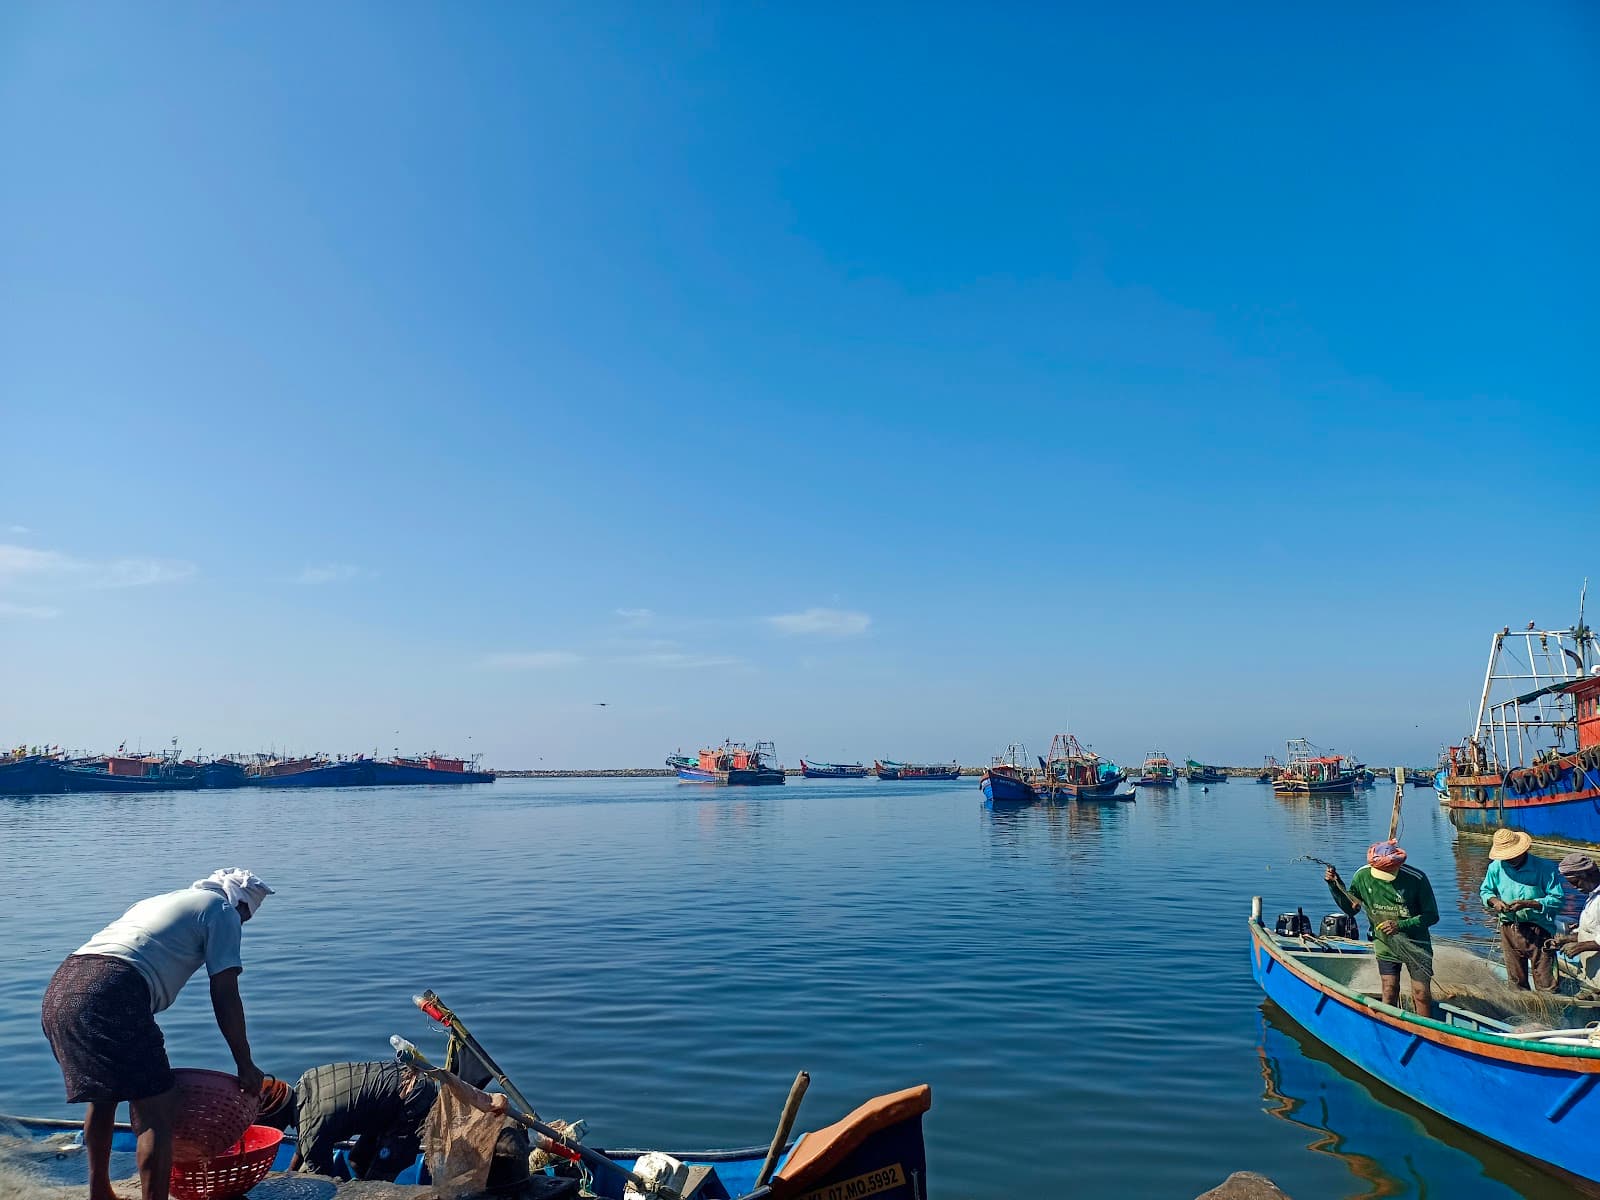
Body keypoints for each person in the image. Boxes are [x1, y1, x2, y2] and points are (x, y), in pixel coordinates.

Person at [40, 869, 273, 1200]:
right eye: (245, 915)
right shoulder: (221, 910)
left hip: (62, 987)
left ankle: (100, 1192)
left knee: (104, 1097)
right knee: (158, 1107)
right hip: (113, 990)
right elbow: (224, 991)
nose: (243, 923)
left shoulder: (162, 901)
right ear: (238, 902)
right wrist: (245, 1063)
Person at [1325, 841, 1439, 1015]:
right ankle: (1390, 1028)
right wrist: (1334, 886)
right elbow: (1351, 909)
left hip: (1417, 944)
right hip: (1385, 944)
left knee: (1421, 994)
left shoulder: (1417, 879)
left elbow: (1432, 916)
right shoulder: (1362, 876)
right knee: (1389, 990)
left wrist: (1401, 925)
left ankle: (1427, 1032)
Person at [1478, 827, 1564, 991]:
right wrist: (1494, 901)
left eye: (1512, 855)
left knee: (1547, 982)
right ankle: (1524, 1010)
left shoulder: (1544, 868)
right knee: (1516, 981)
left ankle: (1550, 1012)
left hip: (1539, 929)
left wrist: (1528, 904)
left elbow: (1558, 900)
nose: (1509, 859)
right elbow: (1485, 891)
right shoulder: (1496, 867)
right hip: (1509, 929)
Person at [1552, 852, 1600, 986]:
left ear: (1585, 875)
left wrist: (1580, 947)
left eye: (1575, 882)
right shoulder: (1593, 895)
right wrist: (1567, 938)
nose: (1574, 887)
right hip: (1594, 973)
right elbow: (1593, 931)